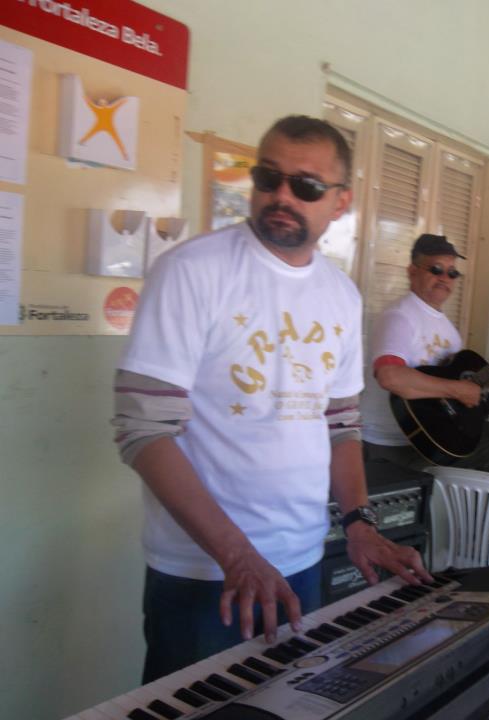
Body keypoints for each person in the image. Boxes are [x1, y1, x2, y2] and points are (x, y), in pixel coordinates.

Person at [112, 115, 430, 683]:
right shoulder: (191, 271)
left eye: (305, 185)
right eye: (268, 177)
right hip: (206, 571)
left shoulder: (341, 295)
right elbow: (143, 431)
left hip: (302, 557)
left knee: (288, 704)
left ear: (340, 202)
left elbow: (341, 424)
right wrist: (237, 557)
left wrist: (358, 523)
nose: (282, 195)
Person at [361, 233, 489, 474]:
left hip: (437, 438)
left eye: (452, 272)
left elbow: (460, 392)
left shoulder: (450, 332)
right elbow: (389, 376)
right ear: (412, 271)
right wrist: (457, 389)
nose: (445, 277)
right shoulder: (399, 317)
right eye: (436, 269)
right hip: (391, 445)